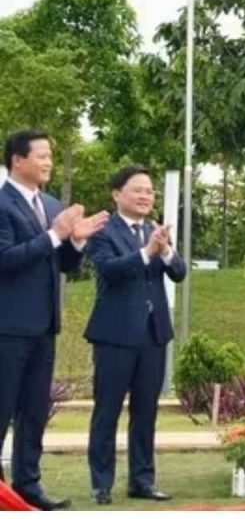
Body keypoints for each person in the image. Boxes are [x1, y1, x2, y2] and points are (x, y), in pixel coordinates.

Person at [0, 129, 108, 510]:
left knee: (34, 411)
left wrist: (74, 241)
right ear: (17, 159)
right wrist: (53, 234)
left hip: (44, 326)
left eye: (50, 155)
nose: (48, 162)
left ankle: (28, 484)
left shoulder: (48, 203)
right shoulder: (2, 203)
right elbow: (6, 259)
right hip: (8, 328)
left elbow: (61, 263)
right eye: (42, 155)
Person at [84, 165, 186, 505]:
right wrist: (146, 254)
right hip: (115, 336)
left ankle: (142, 480)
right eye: (138, 190)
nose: (146, 196)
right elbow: (109, 270)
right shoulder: (103, 231)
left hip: (152, 336)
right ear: (117, 195)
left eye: (150, 191)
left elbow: (180, 273)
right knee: (107, 411)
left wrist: (167, 250)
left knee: (146, 412)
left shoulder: (154, 232)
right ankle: (101, 484)